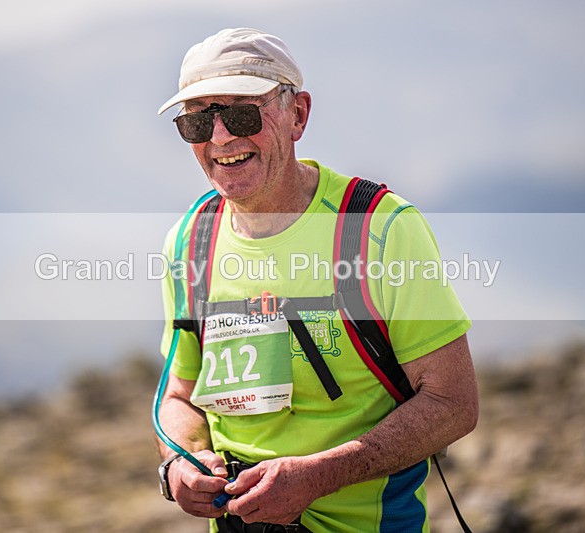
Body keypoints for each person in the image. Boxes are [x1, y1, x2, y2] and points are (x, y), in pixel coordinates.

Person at [154, 28, 479, 533]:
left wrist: (317, 477)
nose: (218, 138)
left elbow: (452, 404)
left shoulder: (378, 228)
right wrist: (180, 462)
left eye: (242, 113)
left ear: (297, 114)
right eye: (196, 121)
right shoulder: (189, 241)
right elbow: (179, 396)